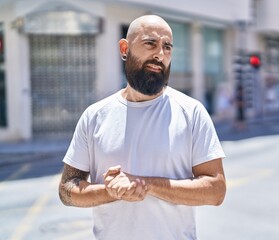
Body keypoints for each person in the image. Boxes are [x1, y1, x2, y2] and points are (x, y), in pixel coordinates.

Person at [58, 15, 226, 240]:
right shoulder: (94, 116)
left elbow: (216, 191)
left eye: (167, 47)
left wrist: (146, 185)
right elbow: (67, 190)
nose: (160, 54)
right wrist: (111, 191)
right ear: (124, 48)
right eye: (150, 44)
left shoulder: (191, 112)